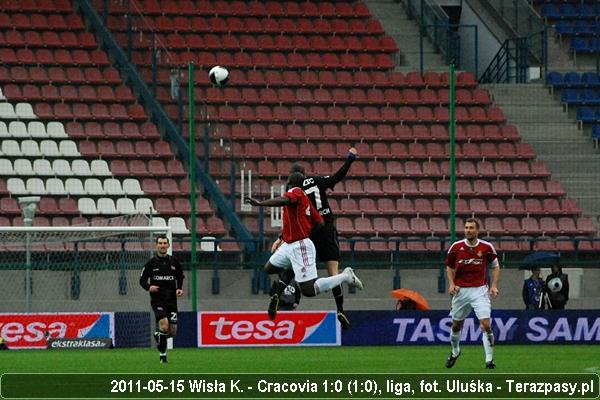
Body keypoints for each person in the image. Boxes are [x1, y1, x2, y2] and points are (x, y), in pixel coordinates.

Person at [246, 171, 363, 320]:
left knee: (308, 290)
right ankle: (284, 282)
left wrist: (260, 203)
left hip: (299, 245)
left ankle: (346, 276)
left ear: (290, 183)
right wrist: (303, 229)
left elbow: (283, 200)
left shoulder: (296, 192)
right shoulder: (306, 201)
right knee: (268, 268)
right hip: (289, 245)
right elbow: (320, 222)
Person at [270, 147, 358, 329]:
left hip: (306, 232)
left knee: (295, 267)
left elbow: (290, 219)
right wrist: (349, 160)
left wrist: (280, 238)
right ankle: (340, 309)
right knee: (333, 272)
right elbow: (336, 178)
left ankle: (278, 292)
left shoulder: (292, 191)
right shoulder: (315, 181)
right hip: (325, 227)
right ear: (304, 174)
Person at [444, 218, 500, 369]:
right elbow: (449, 266)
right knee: (456, 326)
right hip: (461, 291)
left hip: (479, 291)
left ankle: (489, 360)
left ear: (477, 231)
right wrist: (451, 283)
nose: (468, 230)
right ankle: (455, 351)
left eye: (471, 228)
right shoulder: (456, 247)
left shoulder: (486, 247)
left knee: (486, 325)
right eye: (466, 228)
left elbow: (495, 266)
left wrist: (493, 285)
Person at [139, 235, 184, 363]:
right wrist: (149, 287)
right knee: (164, 325)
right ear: (156, 245)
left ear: (168, 245)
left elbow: (180, 276)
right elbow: (141, 280)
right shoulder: (151, 263)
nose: (162, 245)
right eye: (160, 243)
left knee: (172, 332)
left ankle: (158, 336)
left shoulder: (174, 262)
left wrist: (179, 288)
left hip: (171, 300)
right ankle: (163, 356)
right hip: (158, 299)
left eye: (165, 243)